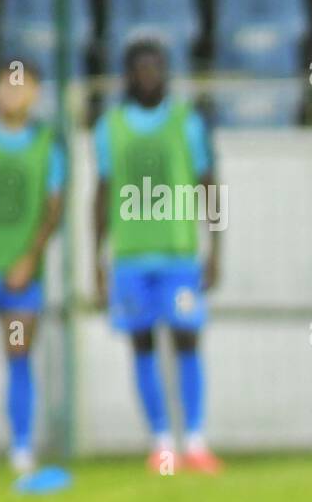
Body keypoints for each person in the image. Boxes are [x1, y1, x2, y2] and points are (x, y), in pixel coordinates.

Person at [93, 39, 222, 474]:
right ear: (129, 75)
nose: (149, 75)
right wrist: (97, 258)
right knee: (141, 342)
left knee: (187, 338)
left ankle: (197, 439)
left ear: (166, 71)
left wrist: (216, 247)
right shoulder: (110, 125)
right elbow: (102, 192)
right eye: (140, 68)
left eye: (156, 67)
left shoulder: (188, 122)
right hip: (130, 254)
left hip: (179, 253)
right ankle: (162, 441)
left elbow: (209, 184)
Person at [0, 59, 65, 473]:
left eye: (21, 86)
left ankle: (21, 448)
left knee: (18, 352)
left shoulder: (47, 145)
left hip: (21, 278)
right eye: (6, 85)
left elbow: (53, 209)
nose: (12, 93)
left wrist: (30, 257)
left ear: (35, 93)